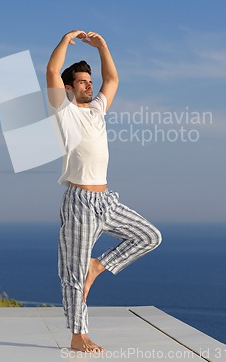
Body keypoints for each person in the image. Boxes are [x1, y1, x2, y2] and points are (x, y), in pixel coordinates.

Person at [46, 30, 162, 353]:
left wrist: (103, 47)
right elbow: (51, 72)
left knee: (149, 236)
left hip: (106, 201)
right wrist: (66, 40)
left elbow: (112, 79)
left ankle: (98, 266)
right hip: (80, 203)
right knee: (73, 274)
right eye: (82, 81)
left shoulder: (97, 110)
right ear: (69, 88)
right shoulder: (63, 112)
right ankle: (77, 336)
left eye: (89, 80)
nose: (89, 85)